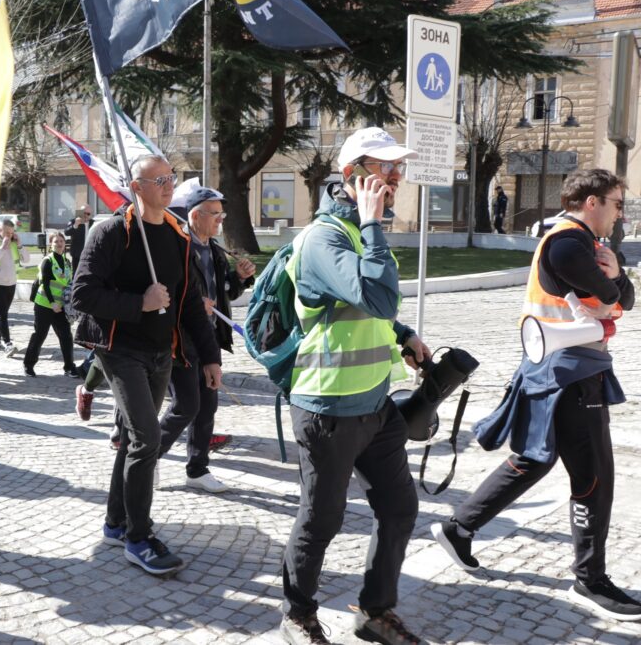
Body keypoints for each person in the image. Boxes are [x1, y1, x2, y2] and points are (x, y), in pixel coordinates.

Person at [432, 169, 640, 621]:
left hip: (555, 370)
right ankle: (591, 579)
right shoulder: (571, 244)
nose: (620, 212)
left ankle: (459, 528)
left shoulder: (570, 239)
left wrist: (619, 286)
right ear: (591, 202)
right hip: (571, 375)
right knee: (594, 478)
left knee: (534, 457)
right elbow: (614, 299)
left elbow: (624, 299)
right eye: (617, 202)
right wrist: (619, 282)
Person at [278, 127, 428, 645]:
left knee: (400, 509)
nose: (394, 177)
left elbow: (372, 311)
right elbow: (378, 296)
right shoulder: (325, 238)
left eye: (397, 168)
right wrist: (371, 224)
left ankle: (373, 611)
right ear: (350, 176)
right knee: (322, 521)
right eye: (383, 167)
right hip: (328, 408)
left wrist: (404, 336)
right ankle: (297, 615)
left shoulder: (365, 233)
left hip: (375, 404)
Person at [71, 153, 222, 575]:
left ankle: (116, 522)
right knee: (146, 436)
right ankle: (139, 537)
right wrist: (141, 302)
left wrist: (209, 356)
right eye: (158, 180)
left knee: (136, 439)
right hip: (119, 350)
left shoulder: (178, 236)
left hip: (162, 351)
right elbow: (81, 295)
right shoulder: (110, 233)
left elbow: (191, 303)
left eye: (170, 177)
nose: (168, 185)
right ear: (136, 188)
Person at [155, 185, 255, 493]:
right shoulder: (175, 245)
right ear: (196, 215)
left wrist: (239, 278)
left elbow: (223, 295)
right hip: (180, 339)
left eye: (222, 214)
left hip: (209, 338)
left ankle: (197, 470)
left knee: (207, 405)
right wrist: (195, 304)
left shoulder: (213, 248)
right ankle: (148, 457)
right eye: (216, 215)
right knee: (186, 404)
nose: (221, 220)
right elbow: (162, 294)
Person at [23, 232, 76, 377]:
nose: (59, 244)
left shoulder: (67, 262)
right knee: (40, 335)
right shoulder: (48, 260)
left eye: (61, 241)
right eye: (55, 241)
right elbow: (45, 284)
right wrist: (52, 303)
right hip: (45, 304)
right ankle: (28, 364)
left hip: (60, 307)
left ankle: (69, 367)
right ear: (50, 245)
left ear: (65, 243)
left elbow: (68, 283)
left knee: (66, 335)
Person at [0, 219, 26, 356]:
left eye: (11, 233)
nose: (9, 235)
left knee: (2, 314)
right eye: (6, 232)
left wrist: (20, 244)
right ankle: (8, 343)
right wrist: (2, 248)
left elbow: (26, 259)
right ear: (0, 230)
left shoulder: (15, 242)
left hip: (11, 283)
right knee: (2, 314)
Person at [63, 204, 93, 272]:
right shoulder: (74, 221)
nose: (85, 215)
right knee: (76, 274)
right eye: (83, 213)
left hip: (90, 254)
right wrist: (75, 225)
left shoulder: (93, 223)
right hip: (77, 254)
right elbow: (66, 232)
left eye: (88, 213)